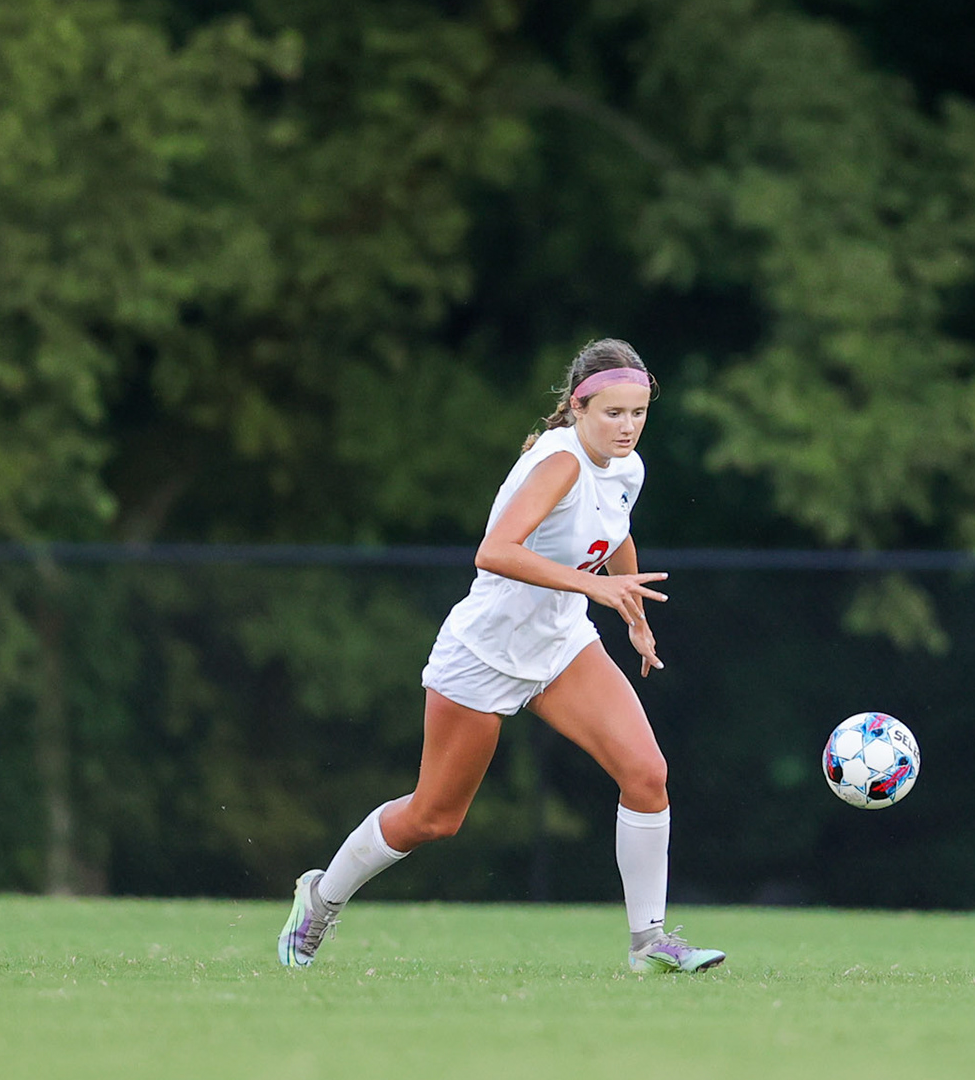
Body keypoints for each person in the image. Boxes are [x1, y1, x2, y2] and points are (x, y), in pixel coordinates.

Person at [278, 338, 726, 974]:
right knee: (433, 818)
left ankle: (649, 944)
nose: (628, 427)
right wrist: (597, 586)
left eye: (639, 413)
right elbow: (493, 551)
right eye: (613, 414)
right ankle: (319, 900)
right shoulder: (560, 463)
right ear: (578, 407)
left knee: (647, 775)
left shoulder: (627, 466)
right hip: (485, 653)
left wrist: (633, 613)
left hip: (563, 646)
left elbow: (615, 531)